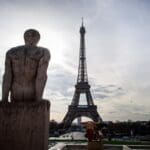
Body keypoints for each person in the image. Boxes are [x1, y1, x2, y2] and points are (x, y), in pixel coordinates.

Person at [2, 29, 50, 102]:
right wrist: (38, 99)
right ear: (38, 39)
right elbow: (41, 76)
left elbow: (7, 76)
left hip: (15, 92)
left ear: (24, 37)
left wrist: (4, 99)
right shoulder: (43, 52)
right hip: (32, 93)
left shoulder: (11, 52)